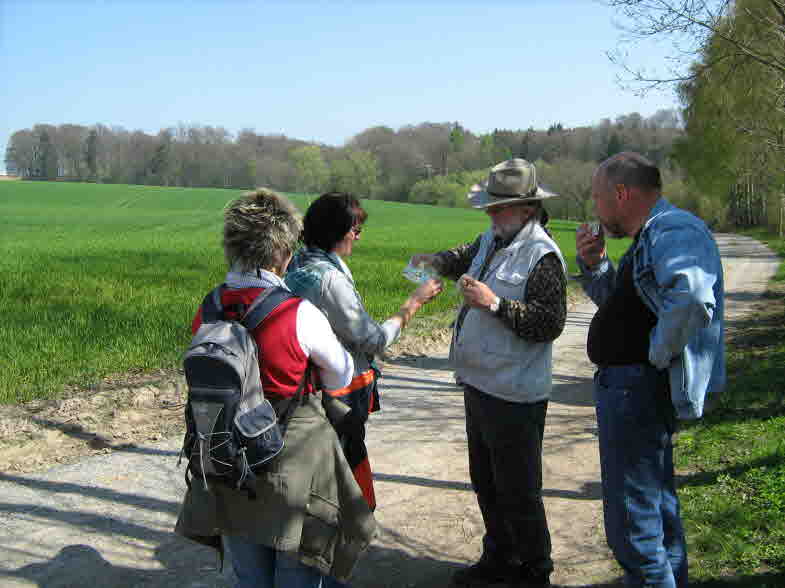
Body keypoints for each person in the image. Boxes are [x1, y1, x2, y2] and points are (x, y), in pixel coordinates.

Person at [175, 188, 376, 588]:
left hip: (225, 458)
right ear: (283, 252)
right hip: (291, 466)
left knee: (250, 577)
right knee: (297, 576)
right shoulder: (298, 312)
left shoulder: (209, 306)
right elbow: (339, 376)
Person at [412, 159, 567, 588]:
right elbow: (464, 254)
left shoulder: (543, 255)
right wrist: (436, 260)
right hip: (480, 384)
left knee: (520, 492)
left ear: (527, 209)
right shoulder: (493, 238)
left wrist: (495, 304)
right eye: (491, 208)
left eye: (500, 209)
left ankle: (535, 572)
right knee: (486, 482)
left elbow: (549, 324)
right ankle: (499, 558)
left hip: (516, 394)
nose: (492, 215)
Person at [575, 152, 725, 588]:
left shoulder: (672, 229)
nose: (596, 208)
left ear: (621, 193)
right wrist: (596, 264)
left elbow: (694, 297)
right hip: (631, 389)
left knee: (633, 525)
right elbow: (621, 306)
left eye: (598, 197)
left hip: (636, 390)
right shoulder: (651, 236)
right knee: (656, 511)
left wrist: (655, 354)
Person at [285, 191, 443, 511]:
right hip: (339, 392)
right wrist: (413, 303)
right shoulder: (330, 278)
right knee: (345, 467)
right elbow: (372, 340)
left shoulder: (300, 262)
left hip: (305, 386)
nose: (358, 238)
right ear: (341, 233)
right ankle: (347, 530)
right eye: (356, 231)